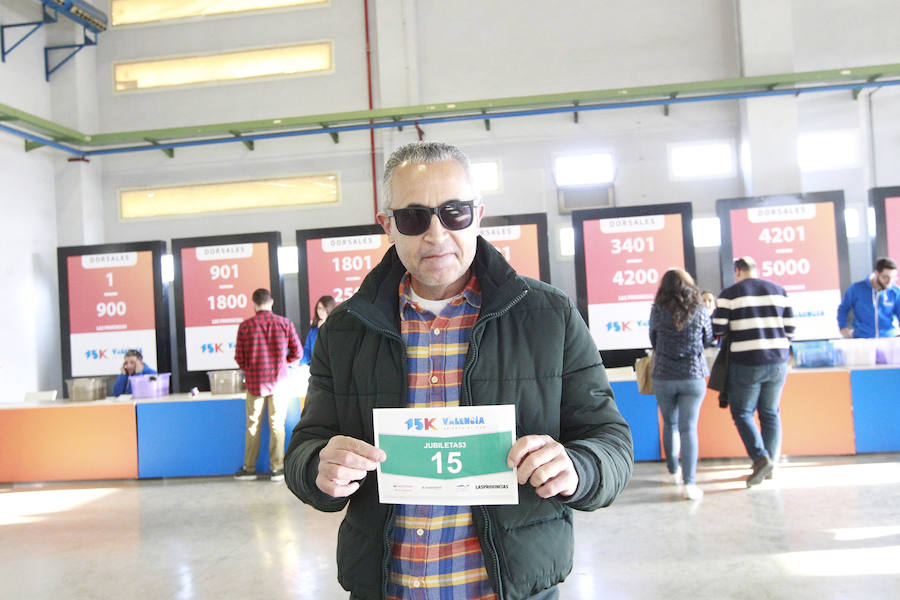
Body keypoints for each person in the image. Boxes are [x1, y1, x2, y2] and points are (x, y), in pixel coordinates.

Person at [284, 141, 633, 600]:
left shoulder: (550, 316)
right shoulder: (345, 331)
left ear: (479, 215)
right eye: (413, 217)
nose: (435, 234)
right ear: (387, 225)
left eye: (454, 212)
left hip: (511, 588)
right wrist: (318, 469)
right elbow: (305, 449)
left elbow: (611, 441)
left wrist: (578, 468)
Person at [713, 257, 794, 487]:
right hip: (778, 361)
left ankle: (760, 458)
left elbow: (719, 329)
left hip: (746, 361)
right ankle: (771, 464)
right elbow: (791, 329)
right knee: (770, 413)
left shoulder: (730, 294)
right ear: (756, 270)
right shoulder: (779, 290)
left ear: (737, 270)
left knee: (742, 413)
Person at [649, 269, 712, 501]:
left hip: (663, 375)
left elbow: (653, 340)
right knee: (688, 428)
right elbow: (708, 339)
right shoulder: (699, 310)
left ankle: (673, 469)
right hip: (692, 375)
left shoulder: (657, 311)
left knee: (669, 424)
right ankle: (689, 483)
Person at [233, 288, 302, 482]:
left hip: (255, 384)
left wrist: (252, 368)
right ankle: (277, 469)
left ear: (254, 303)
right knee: (277, 426)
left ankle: (249, 469)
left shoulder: (245, 327)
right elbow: (297, 353)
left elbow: (240, 358)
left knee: (253, 426)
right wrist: (281, 363)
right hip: (279, 383)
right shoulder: (284, 323)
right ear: (271, 302)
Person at [837, 257, 900, 338]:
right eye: (886, 277)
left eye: (893, 278)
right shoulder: (857, 288)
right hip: (862, 339)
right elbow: (843, 308)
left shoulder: (895, 291)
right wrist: (842, 326)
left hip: (888, 339)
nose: (889, 282)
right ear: (876, 273)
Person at [299, 295, 336, 366]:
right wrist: (298, 360)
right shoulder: (313, 330)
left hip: (332, 369)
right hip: (316, 369)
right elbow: (308, 351)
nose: (321, 311)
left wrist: (323, 328)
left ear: (330, 309)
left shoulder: (336, 329)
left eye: (324, 309)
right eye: (319, 308)